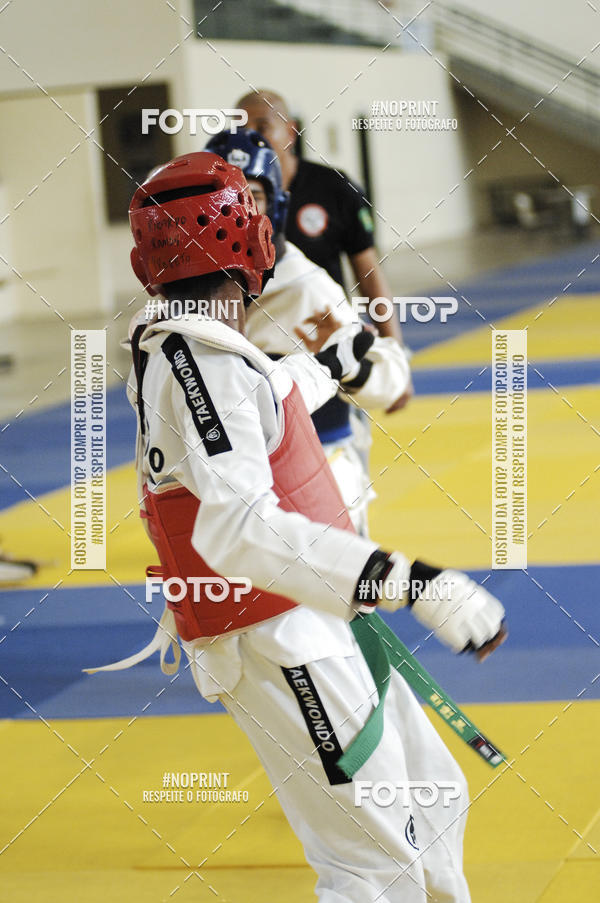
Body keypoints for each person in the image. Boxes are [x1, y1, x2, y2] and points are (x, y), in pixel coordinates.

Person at [88, 151, 506, 902]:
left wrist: (328, 365)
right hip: (273, 630)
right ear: (249, 241)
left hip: (312, 604)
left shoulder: (199, 343)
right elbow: (240, 530)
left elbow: (264, 394)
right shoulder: (193, 358)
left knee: (434, 794)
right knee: (371, 867)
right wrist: (417, 583)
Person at [205, 128, 411, 534]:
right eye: (224, 199)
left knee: (335, 585)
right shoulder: (194, 290)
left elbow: (387, 378)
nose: (238, 210)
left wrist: (347, 364)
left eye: (254, 197)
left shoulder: (306, 287)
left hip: (319, 459)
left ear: (276, 206)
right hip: (235, 475)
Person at [236, 90, 411, 380]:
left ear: (290, 131)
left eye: (262, 127)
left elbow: (369, 273)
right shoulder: (229, 198)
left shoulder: (335, 188)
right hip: (260, 355)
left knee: (339, 424)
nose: (251, 136)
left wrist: (395, 355)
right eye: (241, 128)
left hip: (329, 345)